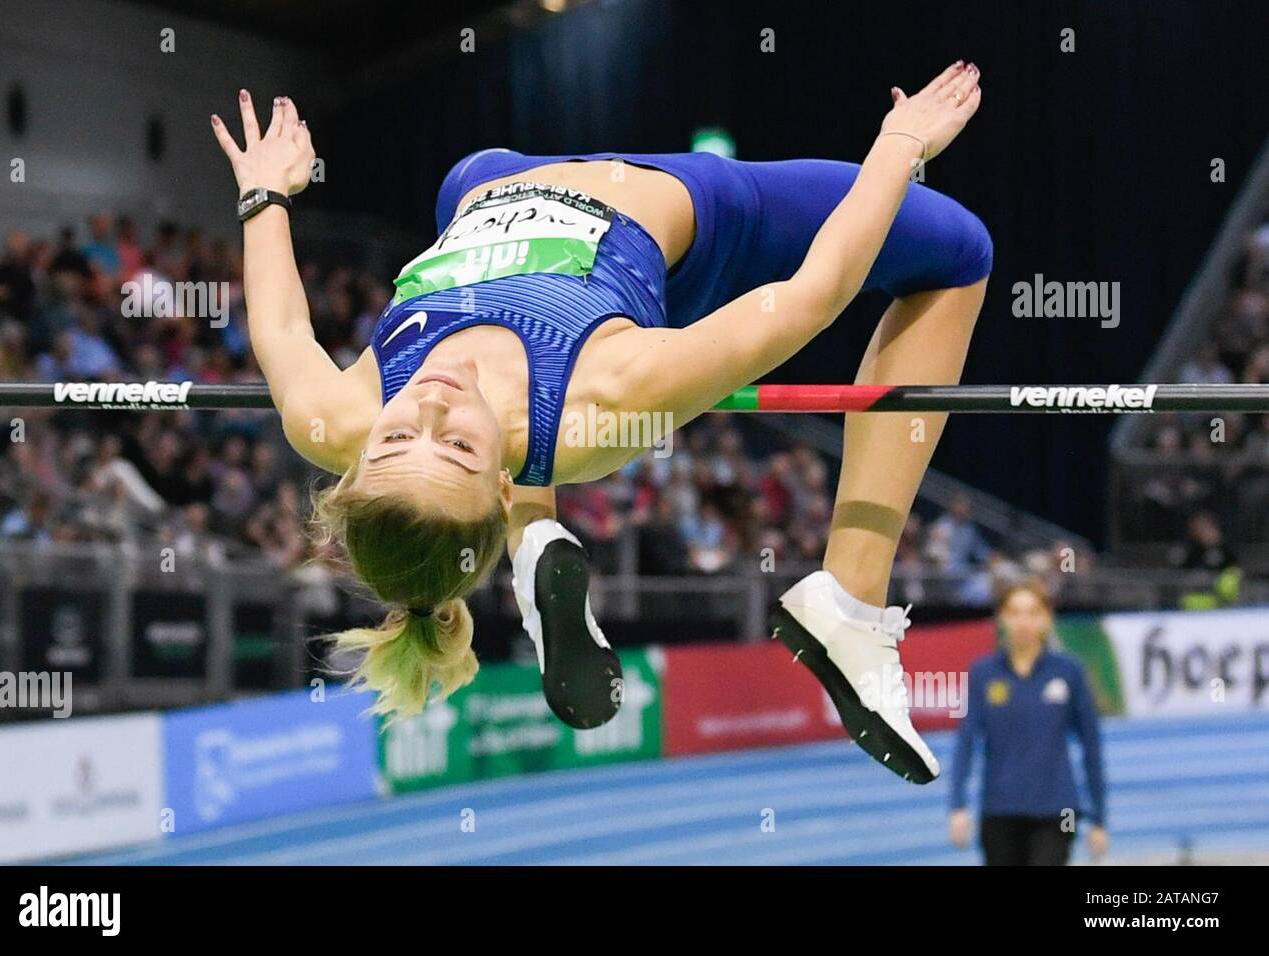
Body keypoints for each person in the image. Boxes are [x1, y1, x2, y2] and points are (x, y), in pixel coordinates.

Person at [209, 61, 990, 775]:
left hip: (479, 184)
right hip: (689, 223)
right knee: (959, 254)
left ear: (358, 456)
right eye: (454, 443)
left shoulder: (334, 416)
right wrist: (900, 143)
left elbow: (279, 330)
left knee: (493, 415)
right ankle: (849, 596)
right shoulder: (607, 397)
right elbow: (817, 293)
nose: (430, 400)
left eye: (397, 436)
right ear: (503, 485)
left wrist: (265, 191)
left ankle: (535, 551)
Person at [949, 579, 1109, 865]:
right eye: (1014, 612)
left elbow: (1091, 747)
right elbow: (966, 742)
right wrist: (957, 806)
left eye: (1033, 612)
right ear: (1001, 618)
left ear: (1047, 618)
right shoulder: (983, 673)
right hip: (998, 810)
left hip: (1059, 812)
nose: (1023, 622)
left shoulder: (1069, 671)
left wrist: (1098, 819)